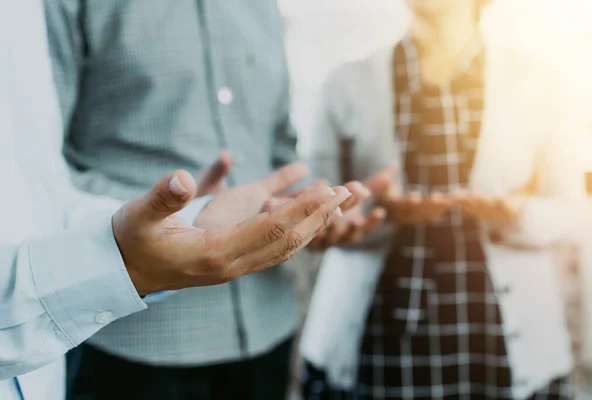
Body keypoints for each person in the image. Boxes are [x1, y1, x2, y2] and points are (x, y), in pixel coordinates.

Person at [0, 1, 359, 399]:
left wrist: (317, 209)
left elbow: (278, 145)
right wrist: (182, 214)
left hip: (267, 329)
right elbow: (39, 168)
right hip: (133, 347)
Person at [300, 0, 585, 399]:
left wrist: (514, 214)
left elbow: (572, 212)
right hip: (375, 340)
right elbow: (313, 211)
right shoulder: (346, 83)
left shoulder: (537, 82)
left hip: (499, 342)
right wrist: (364, 216)